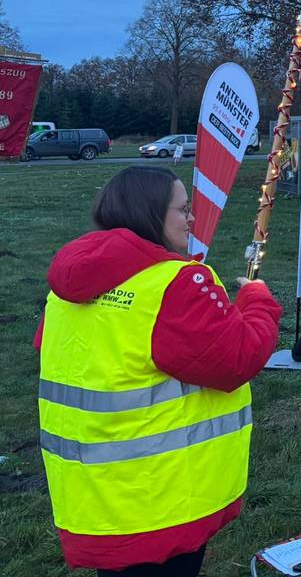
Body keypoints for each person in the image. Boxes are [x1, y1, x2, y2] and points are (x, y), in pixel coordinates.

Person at [36, 166, 281, 576]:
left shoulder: (67, 287)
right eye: (182, 210)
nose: (191, 219)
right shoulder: (175, 283)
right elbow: (238, 358)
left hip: (93, 493)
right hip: (162, 497)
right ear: (149, 213)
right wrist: (257, 301)